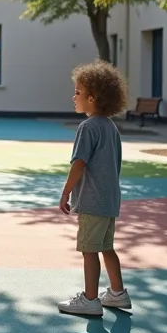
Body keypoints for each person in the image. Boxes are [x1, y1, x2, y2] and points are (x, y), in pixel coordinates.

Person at [57, 60, 132, 317]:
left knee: (89, 249)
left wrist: (66, 191)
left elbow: (79, 163)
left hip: (92, 201)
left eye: (78, 92)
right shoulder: (111, 128)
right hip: (110, 201)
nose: (73, 96)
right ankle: (117, 293)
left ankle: (90, 299)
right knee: (106, 246)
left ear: (93, 97)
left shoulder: (87, 127)